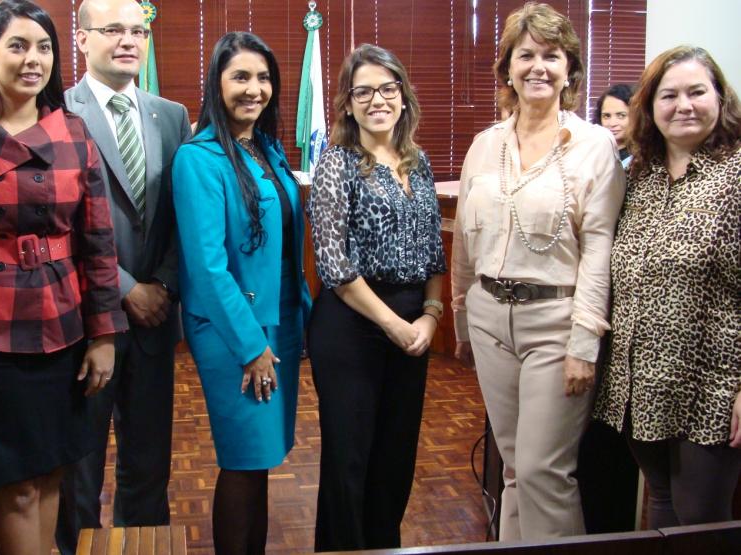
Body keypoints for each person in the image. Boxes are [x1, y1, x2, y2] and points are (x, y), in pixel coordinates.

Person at [0, 1, 127, 553]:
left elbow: (99, 243)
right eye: (17, 45)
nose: (32, 59)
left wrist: (104, 335)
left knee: (54, 471)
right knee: (14, 487)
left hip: (64, 326)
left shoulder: (73, 131)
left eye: (42, 47)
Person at [451, 2, 625, 540]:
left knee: (546, 471)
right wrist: (461, 319)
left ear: (570, 69)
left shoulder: (594, 145)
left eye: (551, 56)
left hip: (556, 323)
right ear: (507, 68)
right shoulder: (485, 145)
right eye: (525, 55)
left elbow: (599, 249)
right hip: (487, 319)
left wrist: (583, 343)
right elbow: (463, 242)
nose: (538, 67)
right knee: (512, 467)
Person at [56, 0, 191, 551]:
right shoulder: (56, 112)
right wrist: (127, 287)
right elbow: (54, 224)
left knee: (148, 466)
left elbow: (188, 217)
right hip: (87, 324)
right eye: (114, 29)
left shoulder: (172, 115)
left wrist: (160, 284)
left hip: (157, 320)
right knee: (79, 471)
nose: (129, 40)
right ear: (82, 39)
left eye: (139, 30)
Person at [172, 32, 312, 554]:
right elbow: (208, 269)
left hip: (282, 320)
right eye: (240, 77)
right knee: (243, 458)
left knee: (263, 461)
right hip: (238, 333)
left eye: (263, 78)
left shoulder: (268, 150)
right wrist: (252, 347)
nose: (254, 89)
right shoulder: (199, 158)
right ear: (217, 84)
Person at [593, 45, 741, 528]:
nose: (684, 105)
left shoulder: (736, 173)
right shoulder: (640, 175)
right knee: (659, 504)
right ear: (650, 108)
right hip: (640, 384)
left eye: (697, 92)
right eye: (669, 95)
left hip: (712, 388)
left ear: (720, 98)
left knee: (702, 521)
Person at [307, 44, 446, 552]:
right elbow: (335, 265)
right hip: (352, 325)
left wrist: (430, 317)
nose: (377, 100)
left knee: (395, 458)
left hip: (414, 326)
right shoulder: (337, 164)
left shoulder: (420, 161)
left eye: (387, 89)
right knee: (350, 458)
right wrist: (395, 324)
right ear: (347, 104)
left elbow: (435, 253)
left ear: (403, 97)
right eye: (363, 91)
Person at [593, 83, 634, 165]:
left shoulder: (642, 160)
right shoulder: (592, 154)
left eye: (621, 116)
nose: (612, 123)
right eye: (607, 116)